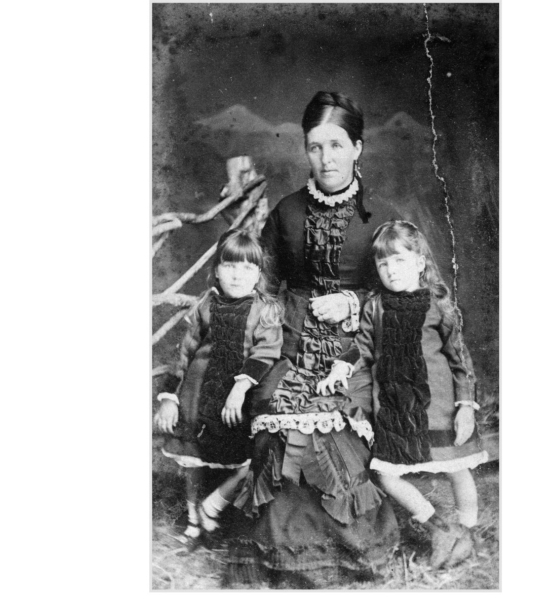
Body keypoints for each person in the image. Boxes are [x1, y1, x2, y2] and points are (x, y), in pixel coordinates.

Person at [224, 92, 403, 588]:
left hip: (356, 350)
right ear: (306, 150)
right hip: (291, 343)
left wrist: (353, 303)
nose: (326, 158)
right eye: (315, 146)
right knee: (273, 418)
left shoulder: (381, 215)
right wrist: (275, 314)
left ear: (358, 149)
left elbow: (412, 292)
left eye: (337, 145)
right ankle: (279, 557)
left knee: (334, 430)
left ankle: (347, 553)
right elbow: (262, 279)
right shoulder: (287, 212)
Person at [317, 220, 490, 569]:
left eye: (399, 261)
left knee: (457, 470)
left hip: (439, 408)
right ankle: (440, 526)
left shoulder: (437, 304)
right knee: (386, 474)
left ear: (420, 263)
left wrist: (465, 406)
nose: (391, 270)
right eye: (383, 264)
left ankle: (468, 531)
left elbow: (460, 359)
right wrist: (340, 367)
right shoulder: (375, 307)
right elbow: (362, 347)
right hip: (396, 409)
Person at [154, 228, 283, 548]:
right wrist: (169, 399)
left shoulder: (264, 310)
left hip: (234, 400)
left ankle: (212, 507)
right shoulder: (206, 305)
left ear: (258, 273)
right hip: (196, 397)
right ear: (216, 270)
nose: (237, 275)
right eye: (229, 266)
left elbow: (266, 351)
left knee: (247, 460)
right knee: (193, 462)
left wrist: (240, 389)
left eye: (247, 268)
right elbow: (183, 353)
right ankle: (195, 524)